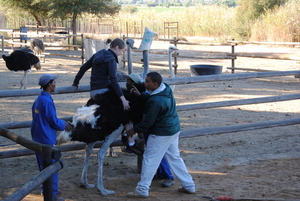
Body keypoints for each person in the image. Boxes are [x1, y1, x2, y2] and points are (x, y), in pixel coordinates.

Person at [126, 72, 195, 198]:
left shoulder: (155, 101)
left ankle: (142, 189)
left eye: (147, 81)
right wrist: (141, 95)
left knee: (149, 159)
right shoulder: (165, 88)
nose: (144, 83)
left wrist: (133, 130)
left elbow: (147, 121)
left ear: (155, 84)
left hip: (161, 133)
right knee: (174, 158)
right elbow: (155, 98)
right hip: (173, 129)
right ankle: (189, 185)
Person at [31, 74, 72, 201]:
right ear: (49, 85)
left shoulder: (39, 99)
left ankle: (46, 189)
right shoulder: (47, 101)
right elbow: (53, 121)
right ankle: (52, 194)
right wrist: (64, 125)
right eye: (54, 82)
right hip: (46, 138)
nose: (55, 84)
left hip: (37, 136)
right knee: (51, 167)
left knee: (43, 166)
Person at [72, 38, 130, 111]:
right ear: (117, 47)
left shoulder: (98, 54)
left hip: (93, 92)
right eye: (122, 50)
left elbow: (83, 67)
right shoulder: (111, 60)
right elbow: (114, 81)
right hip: (104, 92)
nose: (122, 53)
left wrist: (76, 82)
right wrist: (123, 99)